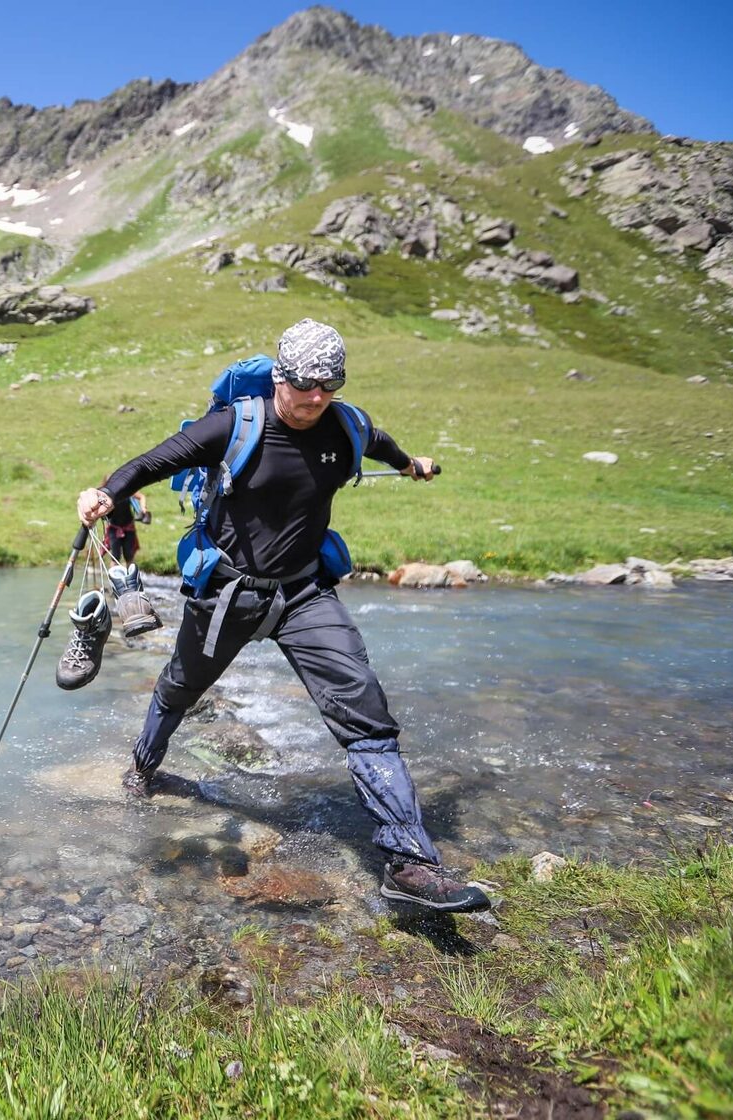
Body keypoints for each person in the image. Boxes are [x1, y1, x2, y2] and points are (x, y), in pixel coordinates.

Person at [75, 318, 491, 912]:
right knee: (181, 687)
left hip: (306, 595)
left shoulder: (345, 425)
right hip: (228, 595)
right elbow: (151, 462)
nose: (316, 398)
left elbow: (382, 442)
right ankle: (143, 768)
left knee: (366, 715)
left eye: (329, 385)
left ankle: (411, 864)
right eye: (304, 385)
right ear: (279, 376)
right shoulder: (235, 425)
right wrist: (107, 493)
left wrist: (410, 466)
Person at [101, 486, 152, 564]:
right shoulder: (107, 495)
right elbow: (105, 515)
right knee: (115, 557)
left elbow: (141, 497)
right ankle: (114, 574)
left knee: (129, 555)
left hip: (128, 527)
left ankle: (130, 574)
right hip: (113, 528)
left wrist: (143, 509)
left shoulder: (128, 490)